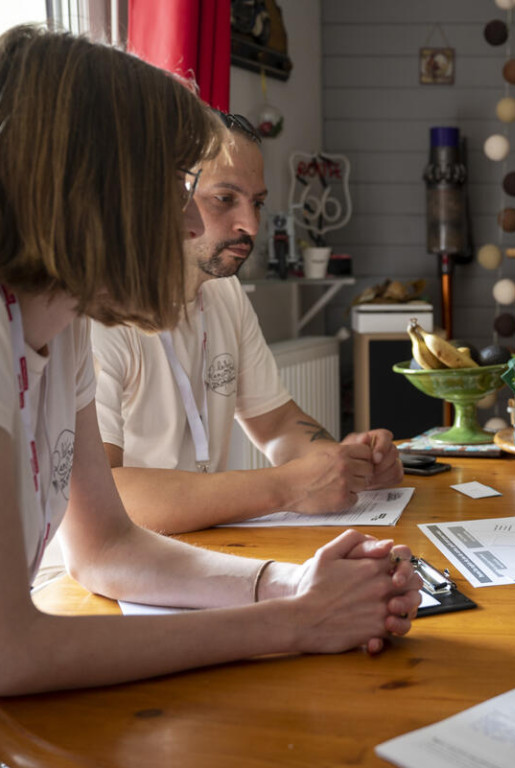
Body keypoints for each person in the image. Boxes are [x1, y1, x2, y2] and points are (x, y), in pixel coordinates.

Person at [0, 25, 420, 697]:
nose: (192, 226)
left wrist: (289, 584)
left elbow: (107, 545)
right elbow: (12, 653)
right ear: (85, 189)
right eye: (171, 187)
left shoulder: (66, 327)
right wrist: (293, 623)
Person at [91, 111, 402, 534]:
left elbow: (275, 425)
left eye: (256, 202)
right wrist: (285, 487)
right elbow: (103, 496)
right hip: (100, 586)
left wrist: (343, 463)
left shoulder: (225, 292)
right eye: (225, 199)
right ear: (165, 194)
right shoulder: (98, 313)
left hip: (199, 554)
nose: (250, 226)